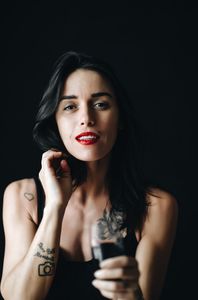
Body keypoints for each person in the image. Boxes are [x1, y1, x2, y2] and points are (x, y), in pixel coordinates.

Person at [0, 51, 178, 300]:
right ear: (55, 121)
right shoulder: (22, 197)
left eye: (101, 104)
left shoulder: (156, 206)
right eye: (70, 106)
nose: (86, 119)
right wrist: (54, 206)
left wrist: (130, 293)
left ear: (121, 118)